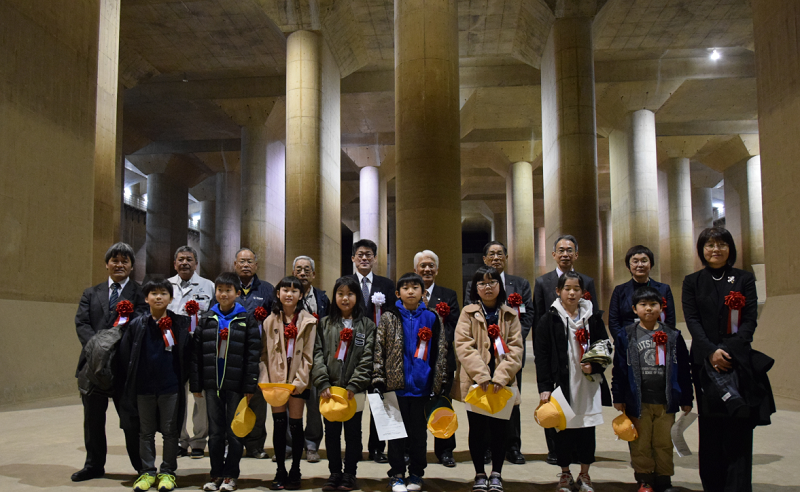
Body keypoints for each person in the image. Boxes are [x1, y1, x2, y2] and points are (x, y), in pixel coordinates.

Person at [682, 227, 772, 492]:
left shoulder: (743, 279)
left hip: (737, 361)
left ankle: (738, 485)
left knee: (739, 422)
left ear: (730, 248)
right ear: (702, 250)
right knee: (711, 425)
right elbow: (693, 320)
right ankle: (713, 484)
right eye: (709, 245)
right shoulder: (692, 281)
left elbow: (750, 319)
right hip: (705, 363)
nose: (715, 250)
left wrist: (729, 351)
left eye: (721, 244)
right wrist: (711, 351)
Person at [73, 242, 146, 482]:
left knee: (130, 419)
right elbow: (82, 324)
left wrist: (114, 347)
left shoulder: (140, 293)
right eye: (115, 260)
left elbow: (140, 324)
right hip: (92, 366)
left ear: (132, 266)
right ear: (107, 264)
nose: (119, 265)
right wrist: (99, 347)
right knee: (93, 419)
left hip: (123, 366)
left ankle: (142, 467)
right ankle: (94, 465)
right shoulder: (91, 293)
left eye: (125, 261)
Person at [535, 271, 611, 492]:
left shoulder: (593, 318)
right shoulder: (549, 319)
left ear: (582, 292)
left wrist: (595, 365)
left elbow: (605, 345)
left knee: (587, 429)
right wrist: (545, 387)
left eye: (576, 289)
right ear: (558, 291)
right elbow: (542, 355)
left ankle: (585, 475)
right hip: (562, 383)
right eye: (567, 288)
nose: (571, 292)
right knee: (563, 430)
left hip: (588, 383)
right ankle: (565, 474)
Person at [611, 286, 692, 492]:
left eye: (653, 304)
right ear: (634, 309)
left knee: (664, 442)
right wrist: (618, 395)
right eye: (643, 305)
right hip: (638, 400)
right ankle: (644, 478)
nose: (648, 309)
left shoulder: (673, 335)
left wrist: (686, 398)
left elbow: (683, 368)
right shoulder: (626, 335)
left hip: (666, 400)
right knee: (640, 442)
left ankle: (664, 479)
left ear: (661, 307)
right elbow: (619, 368)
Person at [373, 272, 448, 492]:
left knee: (418, 435)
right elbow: (379, 350)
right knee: (395, 435)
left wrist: (439, 380)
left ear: (423, 292)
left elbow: (440, 351)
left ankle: (416, 473)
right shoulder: (389, 317)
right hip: (395, 387)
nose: (411, 291)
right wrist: (378, 378)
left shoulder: (433, 318)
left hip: (421, 388)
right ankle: (396, 474)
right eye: (405, 288)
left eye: (416, 287)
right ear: (398, 293)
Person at [117, 279, 193, 492]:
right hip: (144, 388)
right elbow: (125, 356)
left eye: (163, 293)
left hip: (170, 387)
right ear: (146, 298)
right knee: (145, 432)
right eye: (154, 293)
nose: (158, 297)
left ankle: (168, 471)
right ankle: (147, 472)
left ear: (171, 298)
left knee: (170, 432)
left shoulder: (180, 324)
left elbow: (187, 355)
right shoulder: (137, 324)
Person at [453, 265, 523, 492]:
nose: (487, 287)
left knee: (500, 430)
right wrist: (482, 375)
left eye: (492, 282)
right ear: (475, 288)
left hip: (502, 384)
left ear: (500, 286)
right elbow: (463, 345)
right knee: (478, 430)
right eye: (482, 283)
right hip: (476, 383)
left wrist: (501, 377)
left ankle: (496, 474)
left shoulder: (510, 315)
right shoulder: (468, 312)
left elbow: (516, 349)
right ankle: (479, 474)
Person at [190, 272, 260, 492]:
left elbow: (252, 354)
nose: (223, 294)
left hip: (236, 386)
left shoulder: (246, 319)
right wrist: (196, 384)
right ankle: (215, 474)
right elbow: (196, 354)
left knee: (234, 431)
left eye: (228, 290)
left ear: (237, 294)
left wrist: (250, 385)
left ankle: (231, 475)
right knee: (216, 432)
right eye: (220, 290)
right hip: (212, 385)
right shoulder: (207, 318)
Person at [464, 241, 533, 465]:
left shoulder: (520, 283)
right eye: (491, 254)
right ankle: (484, 448)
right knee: (482, 401)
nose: (496, 257)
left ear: (506, 256)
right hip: (483, 355)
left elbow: (528, 313)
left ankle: (512, 446)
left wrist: (511, 339)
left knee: (510, 398)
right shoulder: (472, 285)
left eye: (500, 253)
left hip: (509, 355)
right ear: (484, 259)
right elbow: (469, 316)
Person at [533, 234, 599, 463]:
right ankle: (555, 451)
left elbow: (595, 319)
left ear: (576, 254)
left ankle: (581, 455)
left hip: (581, 356)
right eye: (561, 250)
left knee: (582, 405)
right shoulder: (542, 282)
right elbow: (539, 318)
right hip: (554, 348)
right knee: (554, 404)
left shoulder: (587, 281)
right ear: (553, 255)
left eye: (569, 250)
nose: (565, 254)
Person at [311, 276, 376, 492]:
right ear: (334, 296)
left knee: (353, 433)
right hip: (329, 390)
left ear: (357, 297)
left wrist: (355, 384)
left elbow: (368, 358)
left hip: (353, 392)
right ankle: (334, 473)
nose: (345, 298)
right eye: (340, 294)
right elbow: (317, 354)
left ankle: (350, 474)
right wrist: (322, 382)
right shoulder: (324, 323)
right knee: (331, 433)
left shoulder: (367, 325)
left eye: (350, 294)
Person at [213, 248, 273, 460]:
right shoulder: (227, 288)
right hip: (230, 356)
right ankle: (232, 442)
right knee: (232, 401)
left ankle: (256, 445)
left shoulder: (267, 290)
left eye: (250, 261)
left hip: (256, 354)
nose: (246, 265)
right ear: (235, 264)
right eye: (242, 261)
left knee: (256, 401)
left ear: (256, 265)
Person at [261, 276, 317, 490]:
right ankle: (280, 470)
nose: (289, 294)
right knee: (278, 425)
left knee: (295, 425)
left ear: (301, 295)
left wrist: (299, 381)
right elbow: (264, 355)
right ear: (278, 293)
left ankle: (295, 469)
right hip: (276, 381)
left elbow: (309, 356)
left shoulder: (309, 321)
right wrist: (266, 379)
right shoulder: (269, 321)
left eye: (294, 291)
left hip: (298, 382)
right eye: (285, 290)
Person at [347, 239, 397, 463]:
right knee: (355, 400)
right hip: (353, 351)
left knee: (379, 401)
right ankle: (354, 448)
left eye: (369, 254)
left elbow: (394, 316)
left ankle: (377, 448)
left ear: (375, 258)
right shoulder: (346, 283)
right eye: (360, 254)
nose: (364, 258)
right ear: (353, 259)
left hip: (381, 352)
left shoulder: (386, 285)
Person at [167, 245, 215, 459]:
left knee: (200, 396)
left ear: (196, 263)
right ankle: (180, 440)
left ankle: (198, 441)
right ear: (174, 263)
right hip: (173, 349)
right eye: (180, 259)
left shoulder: (208, 286)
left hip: (199, 349)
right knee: (177, 397)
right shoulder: (166, 286)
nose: (185, 263)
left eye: (189, 259)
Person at [414, 250, 460, 467]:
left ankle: (445, 450)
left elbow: (454, 325)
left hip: (443, 360)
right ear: (416, 270)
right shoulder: (410, 293)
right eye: (423, 265)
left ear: (437, 269)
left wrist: (436, 338)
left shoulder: (448, 295)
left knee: (443, 403)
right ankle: (414, 450)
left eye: (431, 265)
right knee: (415, 406)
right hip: (415, 362)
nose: (427, 269)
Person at [291, 255, 329, 463]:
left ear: (314, 274)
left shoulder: (322, 298)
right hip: (292, 359)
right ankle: (289, 444)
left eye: (307, 270)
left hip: (315, 358)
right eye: (299, 270)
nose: (303, 273)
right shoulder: (287, 295)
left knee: (314, 405)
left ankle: (312, 445)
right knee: (291, 403)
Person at [608, 245, 675, 343]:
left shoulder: (664, 289)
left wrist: (662, 339)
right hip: (628, 340)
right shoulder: (619, 290)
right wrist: (622, 340)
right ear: (628, 266)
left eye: (644, 261)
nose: (640, 265)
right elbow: (613, 321)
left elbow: (670, 320)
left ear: (651, 264)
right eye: (635, 261)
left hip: (657, 341)